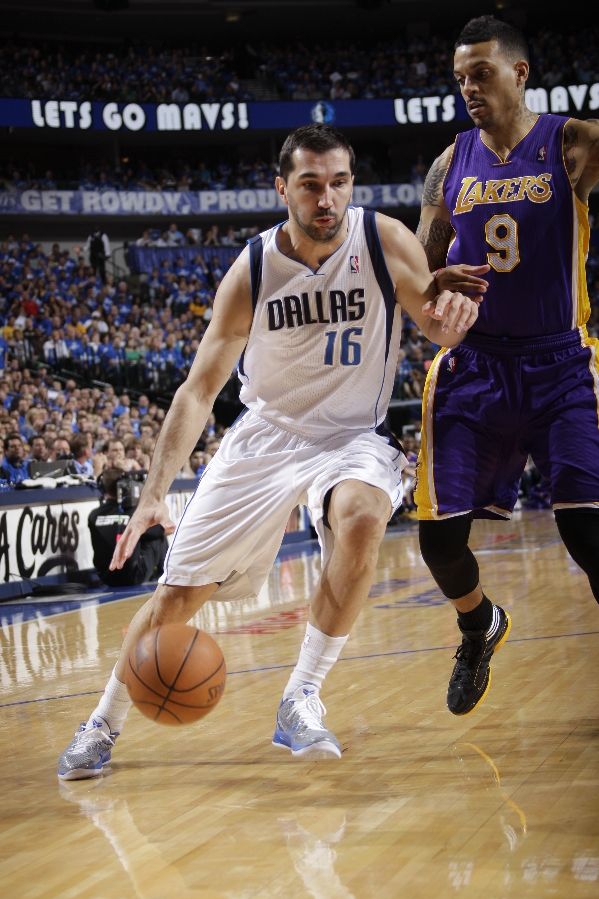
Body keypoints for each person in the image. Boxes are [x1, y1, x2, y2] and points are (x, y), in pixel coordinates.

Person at [57, 123, 480, 780]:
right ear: (282, 188)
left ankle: (300, 697)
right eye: (310, 184)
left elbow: (430, 322)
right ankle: (102, 720)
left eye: (339, 182)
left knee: (364, 516)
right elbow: (199, 390)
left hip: (349, 438)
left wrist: (449, 322)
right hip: (264, 439)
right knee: (177, 598)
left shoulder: (381, 239)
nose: (326, 199)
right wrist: (150, 497)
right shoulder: (254, 266)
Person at [414, 15, 599, 717]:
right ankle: (477, 624)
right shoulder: (448, 162)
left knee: (587, 532)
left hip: (559, 365)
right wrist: (433, 287)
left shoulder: (570, 143)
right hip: (473, 368)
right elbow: (417, 267)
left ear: (519, 73)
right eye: (460, 77)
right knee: (438, 540)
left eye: (480, 74)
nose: (467, 87)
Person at [88, 467, 168, 588]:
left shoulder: (93, 515)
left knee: (140, 535)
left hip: (105, 577)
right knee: (157, 537)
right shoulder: (135, 514)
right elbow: (164, 529)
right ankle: (167, 577)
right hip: (134, 576)